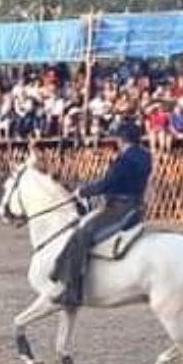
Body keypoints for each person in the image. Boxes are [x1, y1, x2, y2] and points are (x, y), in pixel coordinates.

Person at [53, 122, 151, 309]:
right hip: (135, 205)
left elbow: (107, 183)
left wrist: (83, 191)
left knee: (83, 234)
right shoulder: (145, 156)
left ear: (121, 139)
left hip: (119, 207)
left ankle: (72, 291)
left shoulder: (124, 160)